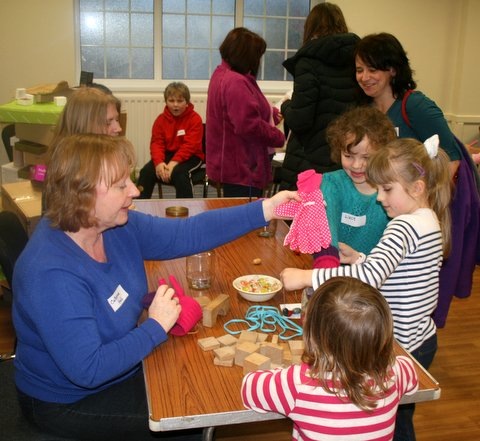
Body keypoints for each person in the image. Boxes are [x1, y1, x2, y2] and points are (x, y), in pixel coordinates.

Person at [12, 134, 299, 441]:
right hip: (68, 401)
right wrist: (156, 326)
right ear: (83, 195)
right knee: (188, 420)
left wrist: (265, 209)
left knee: (195, 385)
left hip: (118, 366)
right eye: (122, 185)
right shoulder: (51, 272)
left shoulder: (114, 226)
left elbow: (188, 233)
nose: (134, 191)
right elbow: (88, 370)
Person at [280, 136, 451, 441]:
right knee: (400, 417)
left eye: (387, 189)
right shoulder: (429, 220)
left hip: (399, 347)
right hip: (422, 339)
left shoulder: (404, 225)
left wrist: (306, 278)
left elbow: (370, 279)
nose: (381, 198)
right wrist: (359, 257)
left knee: (395, 423)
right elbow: (399, 270)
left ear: (417, 188)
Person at [355, 32, 480, 328]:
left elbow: (450, 156)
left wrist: (427, 205)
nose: (365, 77)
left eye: (373, 69)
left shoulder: (416, 106)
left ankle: (417, 332)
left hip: (427, 203)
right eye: (359, 69)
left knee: (424, 281)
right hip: (394, 203)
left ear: (392, 69)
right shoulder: (370, 111)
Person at [242, 276, 419, 441]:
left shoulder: (297, 384)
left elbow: (249, 388)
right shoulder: (394, 373)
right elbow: (411, 372)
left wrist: (287, 372)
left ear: (313, 336)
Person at [278, 2, 360, 190]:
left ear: (310, 28)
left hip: (311, 159)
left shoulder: (308, 62)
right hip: (346, 157)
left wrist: (286, 105)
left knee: (303, 216)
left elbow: (300, 120)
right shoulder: (357, 60)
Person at [206, 27, 285, 198]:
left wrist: (269, 112)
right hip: (242, 168)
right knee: (246, 219)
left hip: (233, 165)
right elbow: (248, 125)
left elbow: (237, 110)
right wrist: (277, 136)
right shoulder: (236, 82)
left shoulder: (222, 74)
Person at [313, 106, 396, 268]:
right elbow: (326, 234)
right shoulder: (331, 184)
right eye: (348, 156)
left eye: (367, 157)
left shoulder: (394, 192)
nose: (357, 165)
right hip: (331, 272)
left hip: (376, 278)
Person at [136, 82, 205, 199]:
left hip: (192, 156)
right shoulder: (160, 120)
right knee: (146, 172)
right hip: (168, 154)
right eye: (171, 101)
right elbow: (157, 143)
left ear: (187, 102)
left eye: (180, 101)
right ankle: (138, 208)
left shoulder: (195, 119)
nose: (175, 105)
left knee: (179, 173)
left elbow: (190, 146)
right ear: (166, 102)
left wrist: (172, 164)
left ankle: (185, 210)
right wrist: (159, 163)